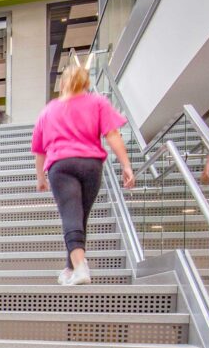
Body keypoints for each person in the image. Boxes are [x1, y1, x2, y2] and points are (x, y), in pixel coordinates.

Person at [32, 64, 135, 286]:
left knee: (71, 215)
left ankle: (79, 267)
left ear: (63, 83)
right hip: (91, 165)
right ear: (86, 82)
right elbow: (113, 134)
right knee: (80, 217)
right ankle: (71, 268)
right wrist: (126, 164)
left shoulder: (48, 110)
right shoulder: (98, 102)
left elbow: (39, 150)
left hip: (61, 165)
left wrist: (40, 177)